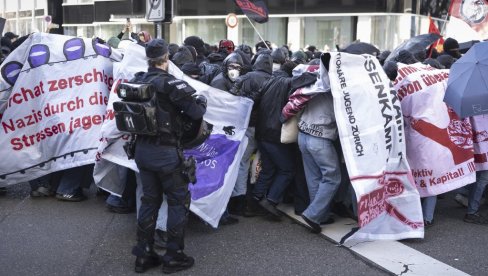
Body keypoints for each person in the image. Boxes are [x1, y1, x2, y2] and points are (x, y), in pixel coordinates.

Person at [131, 38, 206, 274]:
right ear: (167, 58)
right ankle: (174, 256)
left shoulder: (136, 81)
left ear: (148, 59)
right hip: (166, 153)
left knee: (149, 201)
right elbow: (196, 113)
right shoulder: (171, 84)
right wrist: (201, 100)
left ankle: (143, 255)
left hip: (141, 150)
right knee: (177, 202)